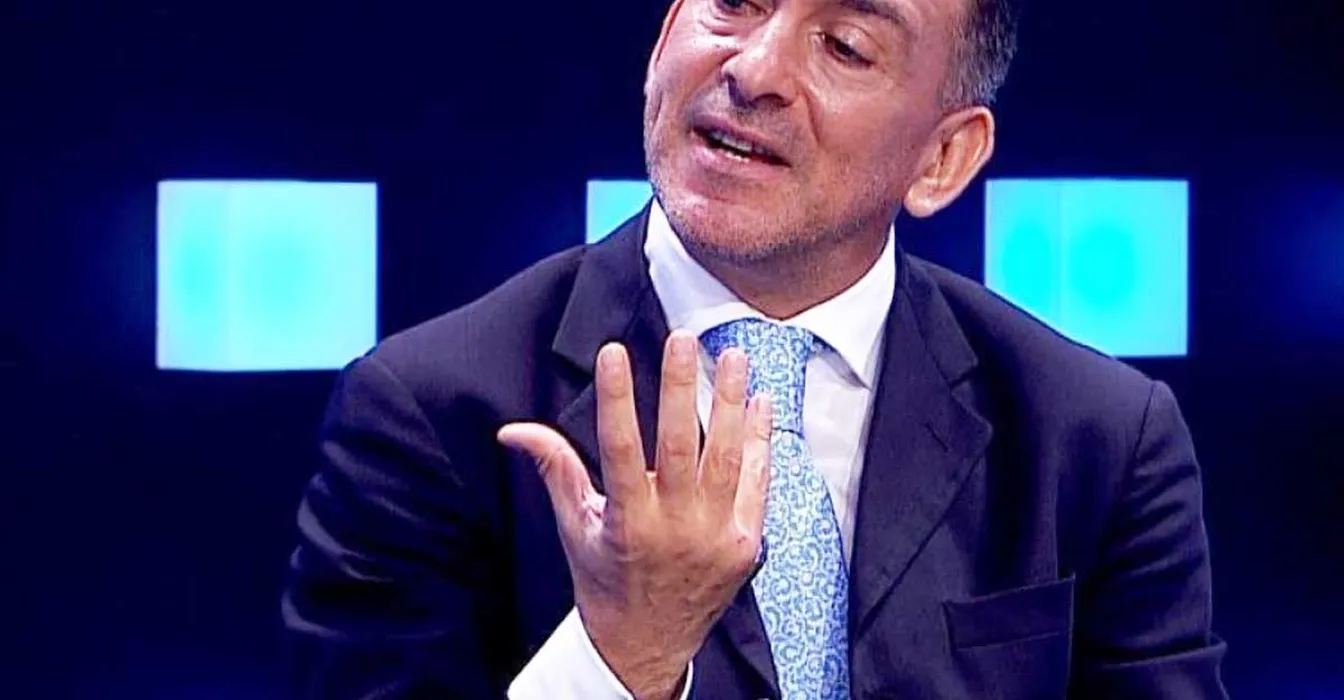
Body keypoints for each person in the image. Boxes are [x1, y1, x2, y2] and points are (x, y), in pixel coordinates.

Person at [282, 0, 1229, 697]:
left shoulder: (1099, 439)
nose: (756, 69)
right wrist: (623, 658)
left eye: (845, 45)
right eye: (734, 3)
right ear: (664, 40)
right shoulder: (430, 413)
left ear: (943, 158)